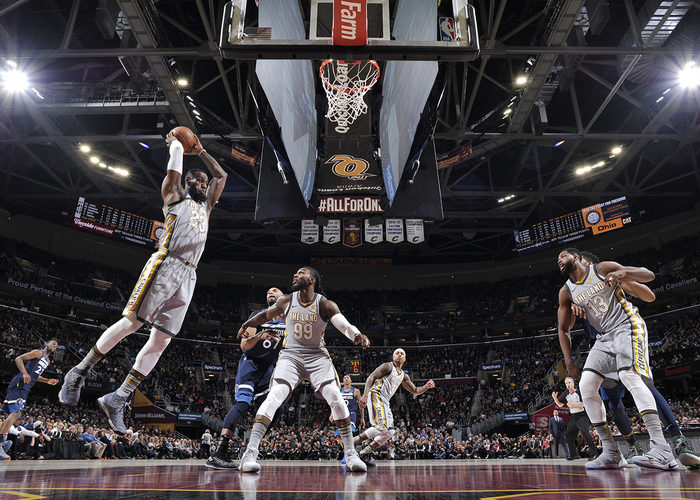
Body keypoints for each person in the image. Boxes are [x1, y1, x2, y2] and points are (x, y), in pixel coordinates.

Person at [58, 129, 227, 436]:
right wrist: (177, 145)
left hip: (189, 274)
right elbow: (174, 171)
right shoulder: (174, 195)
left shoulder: (206, 207)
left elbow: (221, 175)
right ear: (187, 182)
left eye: (205, 182)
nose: (204, 184)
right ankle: (79, 371)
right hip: (166, 263)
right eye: (198, 181)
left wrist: (201, 150)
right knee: (133, 323)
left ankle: (118, 397)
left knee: (162, 340)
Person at [235, 267, 371, 473]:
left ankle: (351, 453)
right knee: (274, 396)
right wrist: (246, 324)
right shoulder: (286, 300)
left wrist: (357, 335)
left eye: (301, 272)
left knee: (336, 396)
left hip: (317, 356)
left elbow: (344, 325)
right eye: (296, 273)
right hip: (291, 356)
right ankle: (250, 452)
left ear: (312, 279)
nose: (296, 275)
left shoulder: (325, 304)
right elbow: (265, 316)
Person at [575, 251, 700, 469]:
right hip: (601, 347)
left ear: (592, 265)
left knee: (643, 385)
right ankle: (629, 448)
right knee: (613, 404)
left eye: (581, 264)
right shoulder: (576, 291)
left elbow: (649, 294)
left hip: (623, 338)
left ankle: (678, 440)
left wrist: (622, 275)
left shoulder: (608, 279)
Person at [206, 287, 286, 470]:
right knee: (242, 403)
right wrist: (260, 335)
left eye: (275, 290)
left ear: (284, 297)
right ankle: (219, 452)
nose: (271, 292)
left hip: (268, 369)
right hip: (250, 363)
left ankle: (250, 448)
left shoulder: (288, 319)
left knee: (278, 408)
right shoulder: (258, 316)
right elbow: (244, 345)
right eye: (268, 292)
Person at [355, 349, 435, 465]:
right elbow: (370, 377)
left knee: (390, 431)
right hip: (376, 394)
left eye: (402, 354)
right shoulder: (388, 366)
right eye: (397, 353)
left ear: (405, 359)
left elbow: (415, 390)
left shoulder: (404, 376)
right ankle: (352, 442)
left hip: (385, 400)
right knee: (381, 427)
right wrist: (365, 395)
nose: (399, 355)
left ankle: (364, 453)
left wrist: (426, 386)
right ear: (393, 357)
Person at [0, 339, 59, 460]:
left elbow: (35, 376)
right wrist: (24, 373)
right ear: (46, 344)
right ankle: (0, 442)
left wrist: (47, 381)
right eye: (52, 343)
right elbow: (19, 359)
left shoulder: (47, 360)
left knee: (13, 414)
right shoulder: (39, 353)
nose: (54, 345)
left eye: (56, 345)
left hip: (25, 387)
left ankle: (1, 440)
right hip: (20, 384)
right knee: (16, 413)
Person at [552, 377, 598, 461]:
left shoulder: (579, 392)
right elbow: (560, 405)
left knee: (584, 432)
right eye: (566, 383)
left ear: (573, 383)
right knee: (568, 434)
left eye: (569, 382)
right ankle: (574, 455)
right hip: (573, 417)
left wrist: (573, 404)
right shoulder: (566, 395)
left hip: (582, 415)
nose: (568, 384)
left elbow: (584, 403)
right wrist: (555, 399)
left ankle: (594, 453)